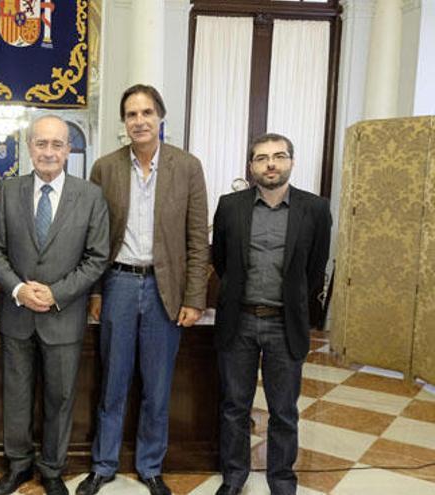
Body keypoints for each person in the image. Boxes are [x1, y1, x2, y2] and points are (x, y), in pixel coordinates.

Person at [78, 84, 209, 495]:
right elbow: (95, 239)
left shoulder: (187, 167)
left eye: (147, 113)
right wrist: (96, 292)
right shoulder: (105, 168)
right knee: (113, 383)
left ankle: (151, 466)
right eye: (132, 115)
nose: (139, 121)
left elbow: (196, 239)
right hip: (117, 282)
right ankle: (104, 464)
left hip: (163, 290)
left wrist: (193, 298)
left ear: (160, 117)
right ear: (124, 122)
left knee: (156, 386)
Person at [0, 115, 110, 495]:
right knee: (17, 395)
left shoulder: (90, 196)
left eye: (57, 144)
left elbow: (96, 257)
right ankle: (19, 465)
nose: (49, 152)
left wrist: (56, 293)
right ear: (29, 147)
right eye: (41, 144)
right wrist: (20, 290)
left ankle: (52, 467)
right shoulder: (8, 191)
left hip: (64, 316)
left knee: (60, 397)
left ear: (68, 150)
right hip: (17, 315)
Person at [212, 134, 331, 495]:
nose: (271, 164)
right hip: (240, 320)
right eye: (262, 158)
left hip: (284, 324)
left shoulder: (315, 208)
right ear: (251, 167)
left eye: (279, 156)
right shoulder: (230, 206)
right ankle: (234, 477)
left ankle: (282, 480)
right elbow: (221, 261)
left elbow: (315, 269)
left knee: (283, 410)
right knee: (235, 406)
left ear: (291, 162)